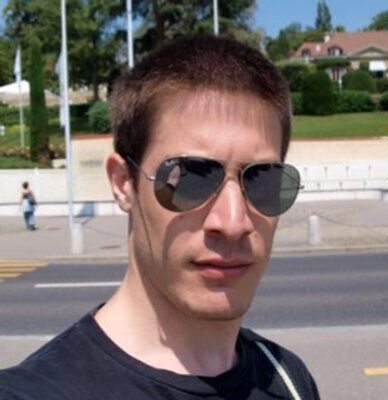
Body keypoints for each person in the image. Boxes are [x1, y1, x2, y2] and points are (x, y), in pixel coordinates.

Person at [0, 35, 320, 399]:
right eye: (191, 178)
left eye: (262, 180)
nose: (233, 223)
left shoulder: (289, 378)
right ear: (123, 184)